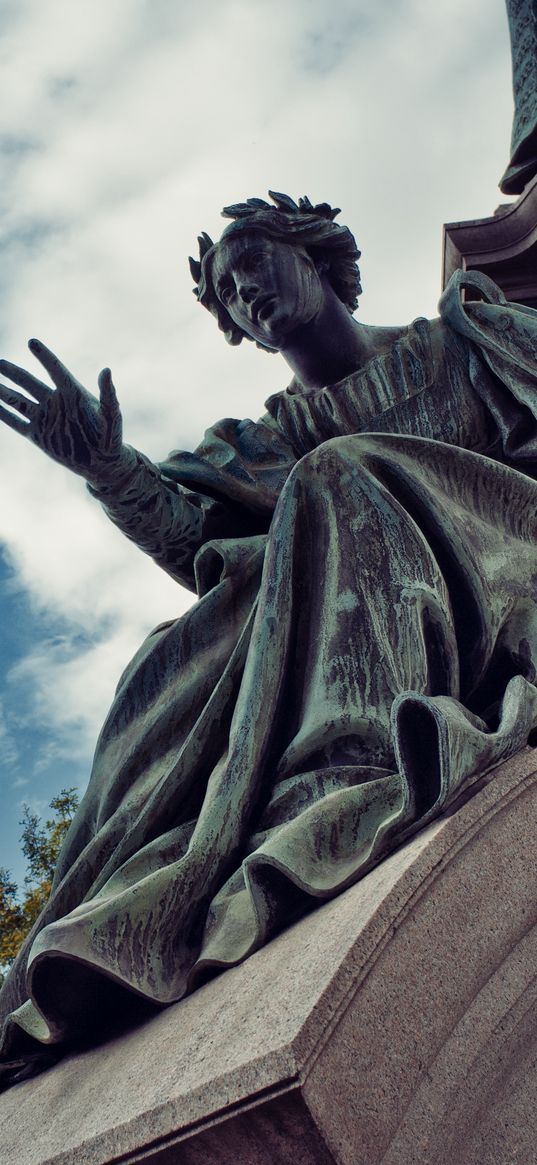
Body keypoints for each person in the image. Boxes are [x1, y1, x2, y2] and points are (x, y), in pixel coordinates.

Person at [0, 192, 536, 1088]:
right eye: (227, 290)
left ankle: (344, 769)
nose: (245, 290)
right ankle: (124, 891)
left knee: (340, 474)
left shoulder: (462, 334)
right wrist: (109, 471)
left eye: (256, 264)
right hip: (392, 588)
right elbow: (197, 544)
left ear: (319, 258)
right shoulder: (263, 441)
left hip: (509, 555)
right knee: (178, 644)